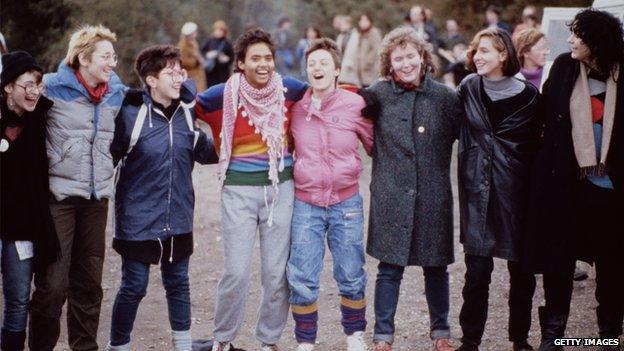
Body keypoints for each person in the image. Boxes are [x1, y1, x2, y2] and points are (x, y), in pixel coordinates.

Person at [195, 27, 308, 351]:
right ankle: (223, 339)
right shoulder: (220, 96)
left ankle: (269, 340)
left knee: (276, 274)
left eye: (268, 58)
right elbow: (181, 103)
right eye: (255, 58)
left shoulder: (289, 90)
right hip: (238, 193)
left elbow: (328, 90)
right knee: (236, 273)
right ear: (240, 63)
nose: (263, 64)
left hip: (280, 191)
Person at [105, 44, 218, 351]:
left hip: (178, 215)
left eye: (180, 71)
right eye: (171, 72)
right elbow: (107, 161)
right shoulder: (130, 116)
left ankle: (182, 346)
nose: (179, 77)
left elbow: (205, 152)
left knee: (178, 283)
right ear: (151, 80)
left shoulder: (185, 113)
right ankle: (119, 346)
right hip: (137, 219)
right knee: (134, 286)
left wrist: (230, 134)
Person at [523, 9, 624, 351]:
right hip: (567, 185)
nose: (569, 41)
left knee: (613, 266)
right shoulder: (565, 68)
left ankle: (609, 334)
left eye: (577, 36)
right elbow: (544, 117)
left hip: (612, 191)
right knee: (558, 260)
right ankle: (555, 335)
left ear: (596, 41)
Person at [360, 27, 462, 351]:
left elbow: (472, 138)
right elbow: (347, 118)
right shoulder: (376, 94)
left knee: (436, 268)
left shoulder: (446, 98)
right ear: (389, 63)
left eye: (410, 56)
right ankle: (383, 335)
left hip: (433, 197)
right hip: (390, 195)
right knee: (389, 269)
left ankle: (441, 331)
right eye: (397, 57)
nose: (405, 63)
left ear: (423, 57)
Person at [28, 24, 127, 350]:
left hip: (97, 199)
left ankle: (85, 347)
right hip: (59, 199)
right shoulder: (51, 88)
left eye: (114, 56)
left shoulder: (114, 91)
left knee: (89, 284)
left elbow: (151, 99)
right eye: (105, 57)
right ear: (83, 57)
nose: (112, 63)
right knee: (53, 285)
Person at [455, 28, 541, 351]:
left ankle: (520, 338)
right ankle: (470, 339)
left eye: (486, 50)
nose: (477, 55)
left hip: (517, 193)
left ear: (504, 54)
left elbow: (538, 146)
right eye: (476, 50)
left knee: (521, 273)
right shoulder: (468, 88)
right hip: (477, 191)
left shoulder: (531, 97)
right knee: (476, 274)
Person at [287, 38, 373, 351]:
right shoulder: (296, 109)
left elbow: (375, 144)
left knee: (351, 272)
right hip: (306, 204)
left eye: (324, 63)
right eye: (312, 64)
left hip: (346, 203)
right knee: (302, 275)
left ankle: (354, 335)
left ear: (337, 69)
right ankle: (306, 341)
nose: (317, 68)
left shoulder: (355, 106)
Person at [0, 51, 59, 351]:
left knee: (18, 301)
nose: (34, 91)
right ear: (8, 86)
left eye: (38, 84)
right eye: (27, 84)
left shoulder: (41, 115)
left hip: (21, 230)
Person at [339, 13, 382, 87]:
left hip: (371, 70)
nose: (363, 23)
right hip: (361, 72)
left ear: (370, 21)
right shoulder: (360, 34)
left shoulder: (374, 32)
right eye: (361, 20)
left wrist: (368, 62)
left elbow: (377, 49)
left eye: (365, 20)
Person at [201, 20, 234, 89]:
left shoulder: (227, 43)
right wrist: (208, 55)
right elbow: (202, 52)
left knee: (222, 90)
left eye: (220, 30)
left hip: (223, 73)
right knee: (210, 89)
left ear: (224, 32)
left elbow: (232, 57)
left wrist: (226, 59)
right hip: (211, 72)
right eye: (217, 30)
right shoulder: (209, 41)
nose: (218, 32)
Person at [179, 21, 206, 93]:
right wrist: (195, 60)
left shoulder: (194, 42)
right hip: (190, 75)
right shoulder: (183, 45)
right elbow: (183, 61)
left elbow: (197, 53)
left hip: (198, 74)